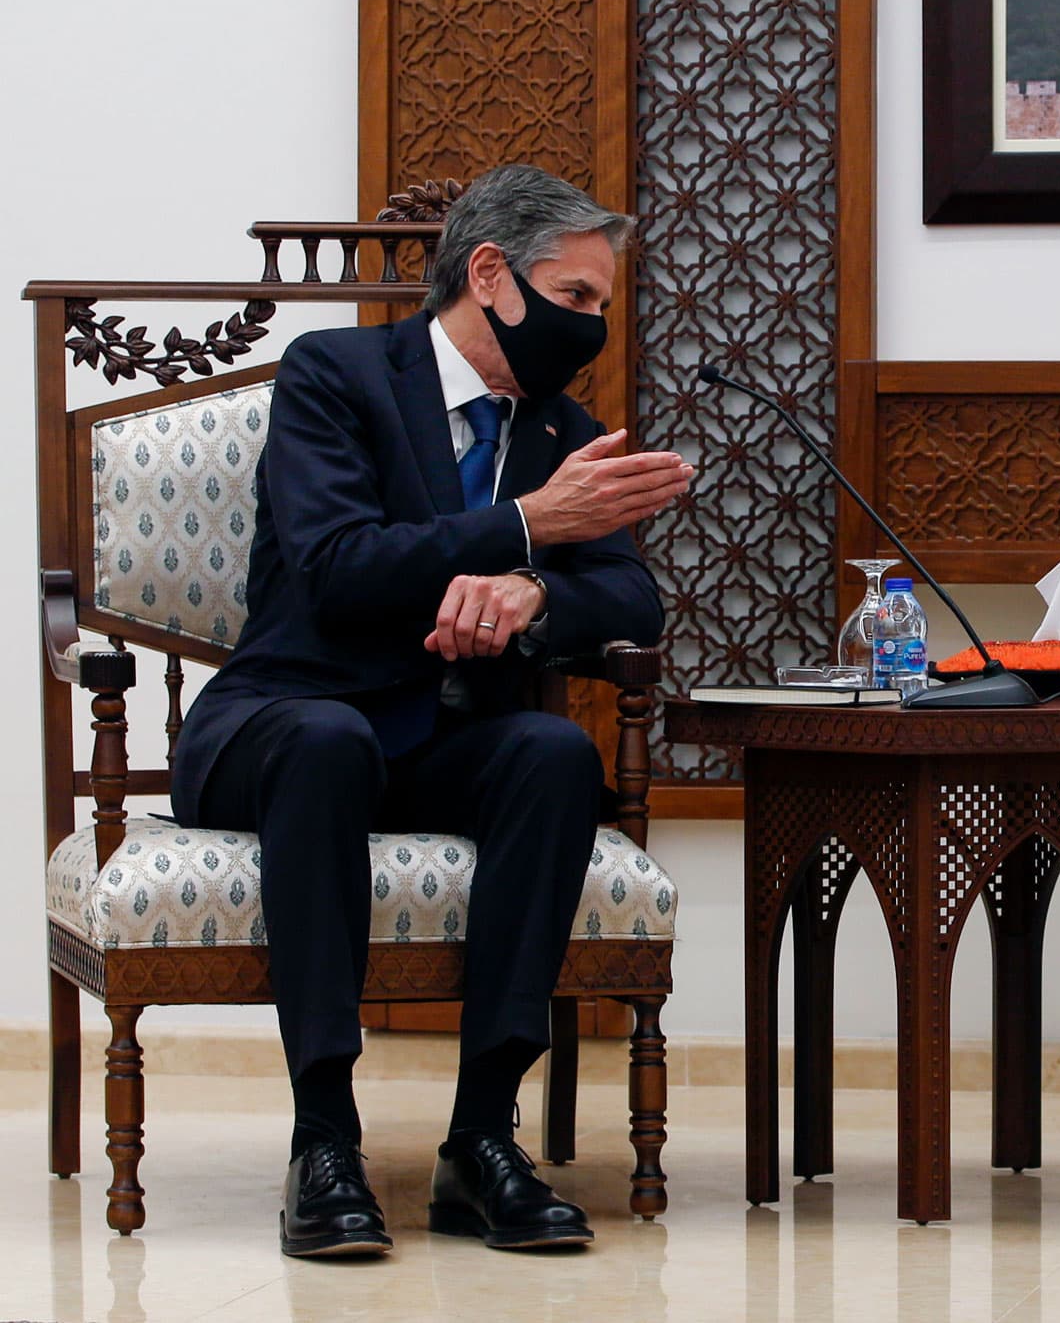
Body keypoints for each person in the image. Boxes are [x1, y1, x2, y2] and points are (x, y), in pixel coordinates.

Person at [170, 164, 696, 1259]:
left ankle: (481, 1139)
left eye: (602, 304)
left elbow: (633, 593)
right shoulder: (337, 373)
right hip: (285, 715)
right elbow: (333, 565)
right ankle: (324, 1138)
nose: (593, 325)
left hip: (434, 739)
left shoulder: (559, 432)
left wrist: (536, 586)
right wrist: (521, 526)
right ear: (492, 274)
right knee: (327, 740)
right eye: (580, 296)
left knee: (552, 752)